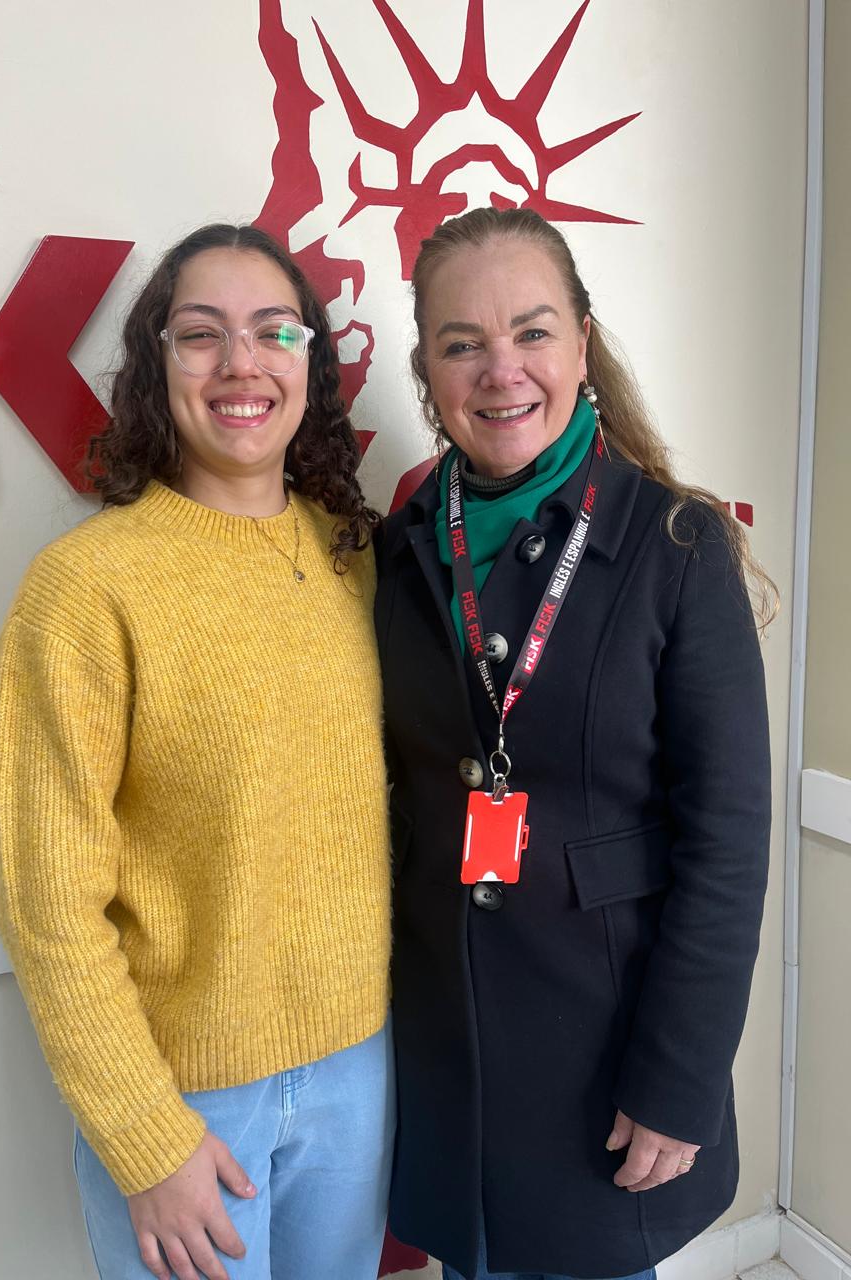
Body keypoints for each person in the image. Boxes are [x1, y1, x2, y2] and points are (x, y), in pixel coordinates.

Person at [0, 223, 394, 1280]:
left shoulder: (352, 560)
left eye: (274, 331)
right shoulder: (86, 587)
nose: (241, 363)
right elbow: (48, 901)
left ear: (311, 358)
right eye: (201, 334)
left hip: (359, 1068)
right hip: (184, 1093)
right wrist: (142, 1131)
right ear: (155, 362)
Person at [374, 206, 774, 1280]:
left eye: (532, 331)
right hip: (450, 1067)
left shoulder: (676, 546)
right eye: (462, 342)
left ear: (582, 345)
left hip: (607, 1068)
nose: (501, 369)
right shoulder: (398, 553)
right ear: (427, 371)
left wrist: (680, 1081)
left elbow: (727, 845)